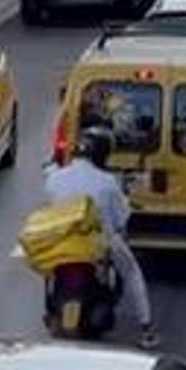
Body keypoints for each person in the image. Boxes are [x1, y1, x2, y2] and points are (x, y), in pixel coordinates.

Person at [45, 126, 158, 349]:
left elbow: (49, 205)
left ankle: (51, 311)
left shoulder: (54, 178)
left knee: (49, 271)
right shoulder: (108, 182)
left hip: (63, 239)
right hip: (100, 242)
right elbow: (121, 219)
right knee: (133, 273)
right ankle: (146, 329)